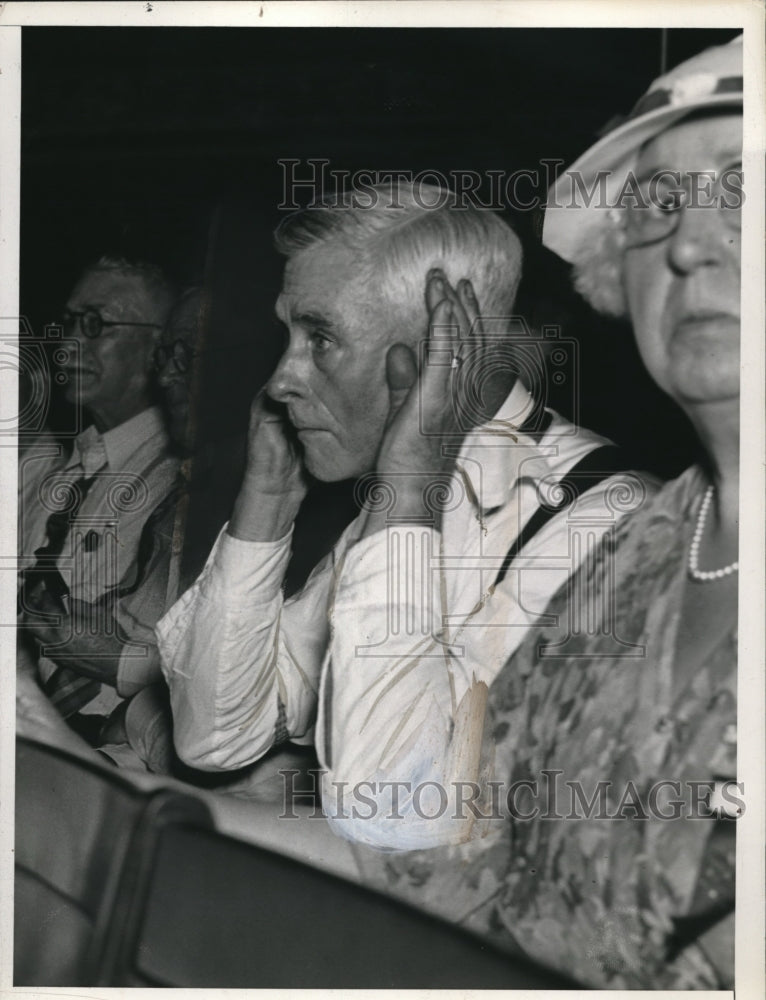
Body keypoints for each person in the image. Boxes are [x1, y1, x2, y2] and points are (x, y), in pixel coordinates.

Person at [353, 36, 742, 989]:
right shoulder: (635, 556)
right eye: (657, 206)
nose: (690, 242)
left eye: (747, 182)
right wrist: (124, 798)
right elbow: (447, 868)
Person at [158, 182, 651, 843]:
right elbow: (213, 736)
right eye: (288, 335)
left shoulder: (609, 521)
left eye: (319, 337)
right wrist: (267, 503)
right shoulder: (389, 503)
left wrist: (411, 492)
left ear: (436, 348)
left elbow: (396, 822)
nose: (280, 379)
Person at [18, 255, 179, 749]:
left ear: (160, 347)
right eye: (68, 322)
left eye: (95, 325)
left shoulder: (178, 481)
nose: (68, 345)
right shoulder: (61, 472)